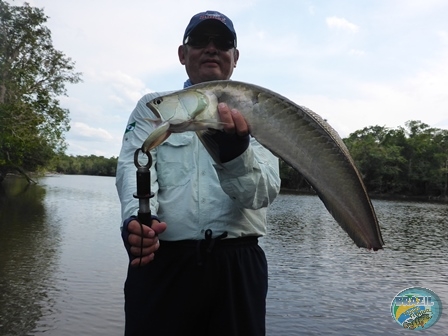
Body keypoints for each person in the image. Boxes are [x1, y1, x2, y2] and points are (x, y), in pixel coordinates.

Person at [116, 10, 281, 336]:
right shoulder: (154, 106)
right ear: (183, 53)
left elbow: (263, 193)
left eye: (222, 42)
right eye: (200, 40)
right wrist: (136, 222)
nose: (211, 48)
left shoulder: (258, 108)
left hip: (238, 267)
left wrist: (234, 154)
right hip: (162, 264)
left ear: (235, 57)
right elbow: (131, 166)